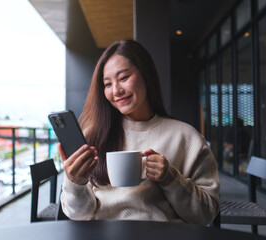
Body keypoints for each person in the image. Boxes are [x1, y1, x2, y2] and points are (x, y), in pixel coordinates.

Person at [58, 40, 220, 225]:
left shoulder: (185, 136)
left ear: (146, 75)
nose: (116, 90)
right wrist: (75, 183)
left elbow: (206, 214)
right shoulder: (93, 136)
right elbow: (79, 215)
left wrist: (170, 178)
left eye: (124, 77)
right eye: (108, 84)